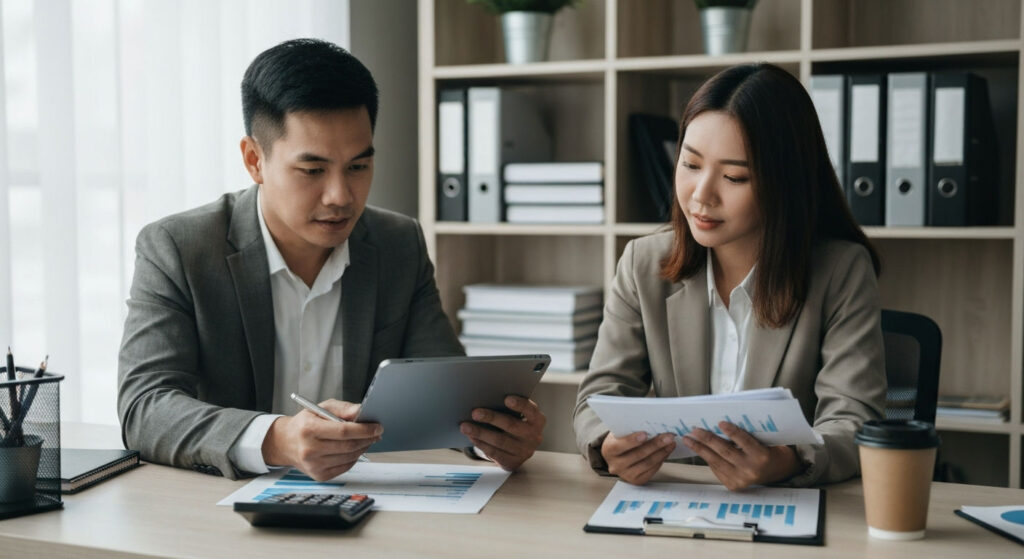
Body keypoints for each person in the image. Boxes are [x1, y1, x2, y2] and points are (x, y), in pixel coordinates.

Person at [118, 38, 545, 481]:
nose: (340, 196)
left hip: (364, 504)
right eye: (313, 170)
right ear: (254, 160)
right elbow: (144, 407)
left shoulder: (398, 244)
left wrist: (493, 439)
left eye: (358, 167)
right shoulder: (178, 248)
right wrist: (276, 439)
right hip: (215, 508)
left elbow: (447, 395)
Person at [573, 63, 886, 490]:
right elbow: (598, 398)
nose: (702, 195)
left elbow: (855, 418)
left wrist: (788, 461)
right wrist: (608, 444)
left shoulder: (841, 270)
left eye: (734, 176)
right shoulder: (642, 263)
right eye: (690, 164)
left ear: (785, 183)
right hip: (675, 501)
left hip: (785, 505)